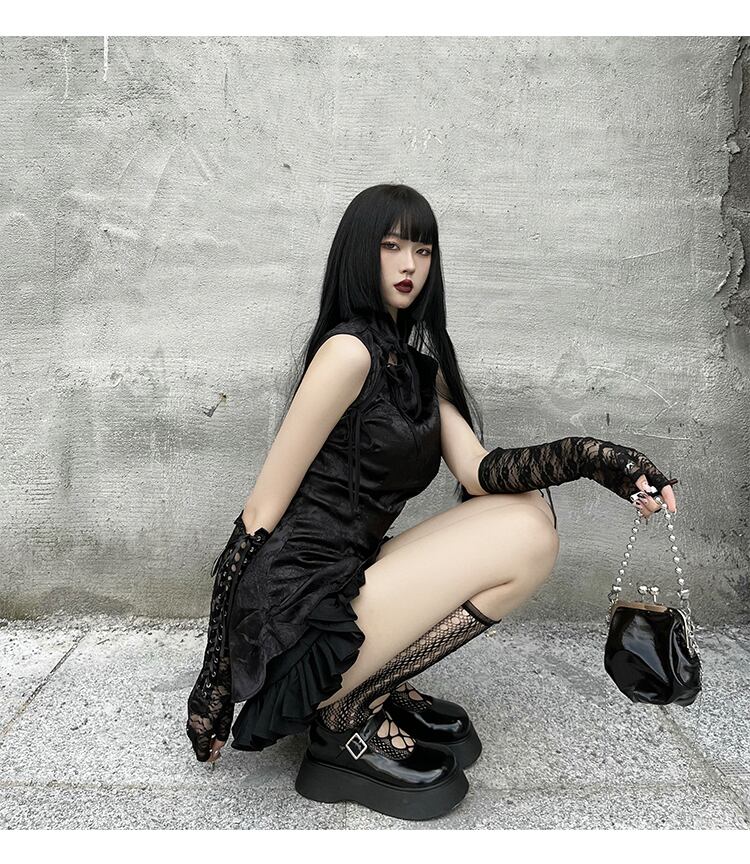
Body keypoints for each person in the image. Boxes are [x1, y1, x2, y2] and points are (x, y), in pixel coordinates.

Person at [186, 183, 678, 821]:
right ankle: (344, 716)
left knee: (530, 512)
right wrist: (213, 680)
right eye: (391, 246)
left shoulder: (417, 369)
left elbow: (483, 472)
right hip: (302, 610)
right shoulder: (346, 354)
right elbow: (258, 517)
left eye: (422, 250)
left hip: (350, 574)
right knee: (527, 538)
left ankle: (375, 684)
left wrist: (603, 462)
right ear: (360, 254)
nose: (409, 265)